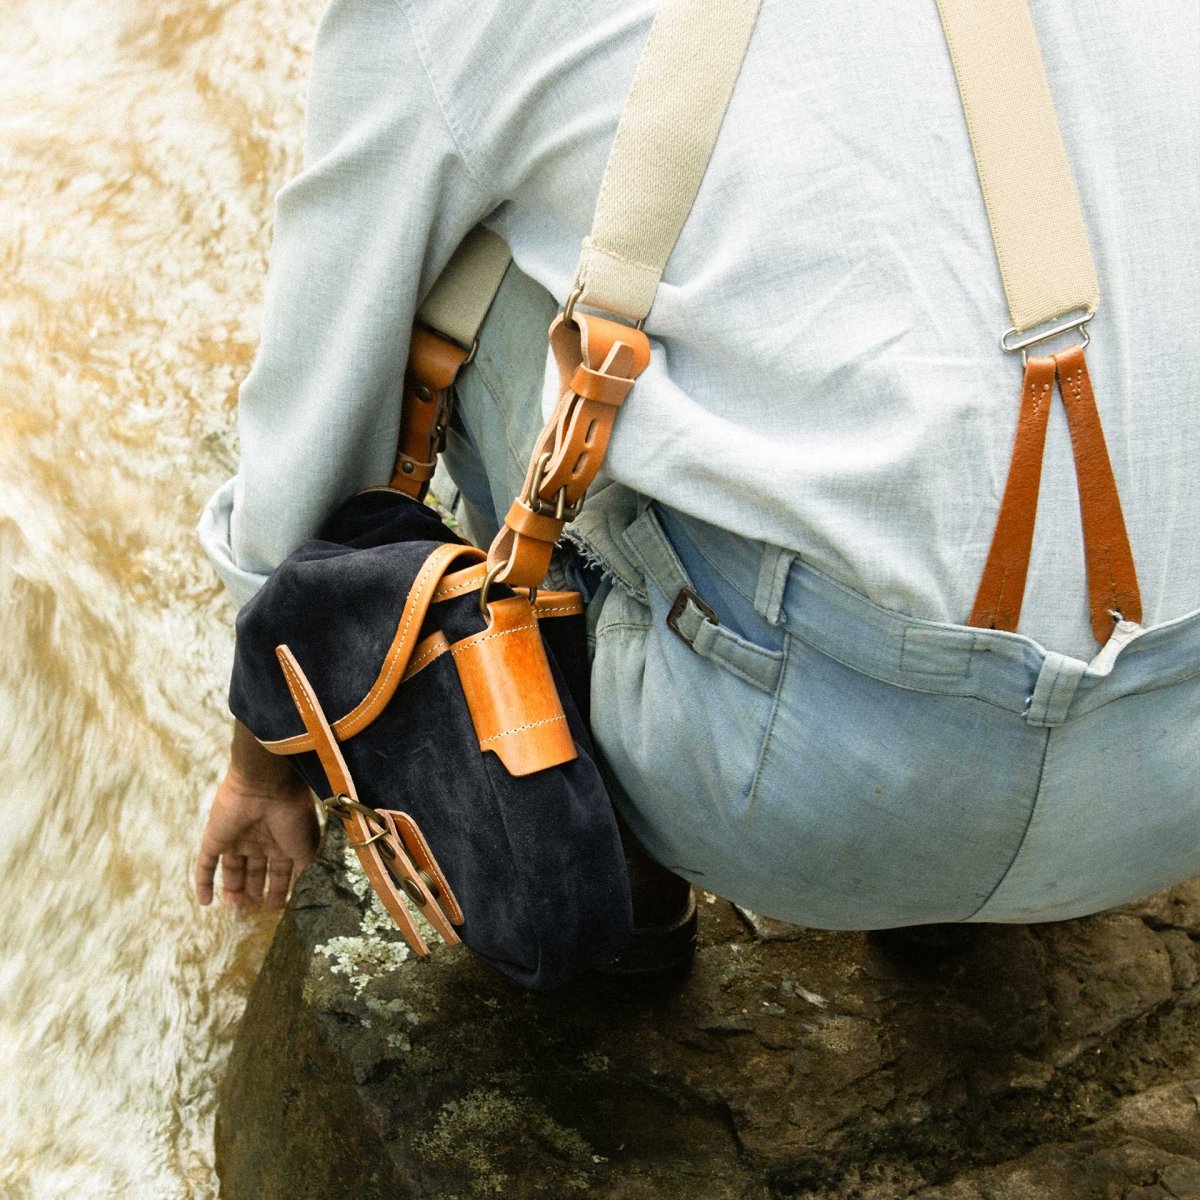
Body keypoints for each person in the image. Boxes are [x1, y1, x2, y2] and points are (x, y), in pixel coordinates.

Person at [196, 1, 1200, 934]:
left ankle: (613, 878)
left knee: (452, 266)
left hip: (804, 803)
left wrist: (267, 757)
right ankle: (946, 930)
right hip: (1169, 774)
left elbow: (324, 381)